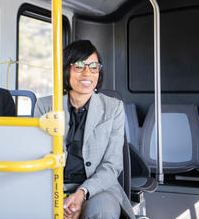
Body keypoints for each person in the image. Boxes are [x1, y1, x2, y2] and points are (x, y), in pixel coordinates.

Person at [34, 40, 134, 219]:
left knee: (102, 212)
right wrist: (59, 198)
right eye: (79, 66)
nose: (87, 72)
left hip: (97, 189)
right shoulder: (45, 106)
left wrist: (81, 194)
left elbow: (112, 165)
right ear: (66, 70)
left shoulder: (113, 108)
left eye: (93, 66)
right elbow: (38, 156)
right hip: (52, 186)